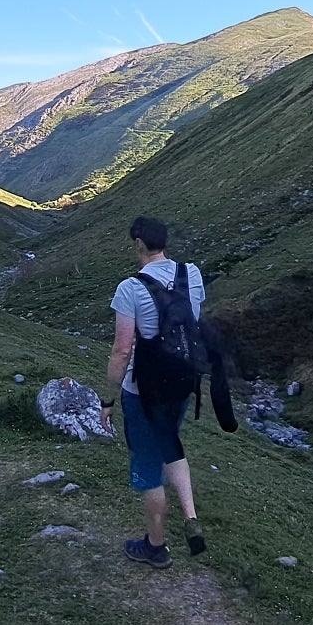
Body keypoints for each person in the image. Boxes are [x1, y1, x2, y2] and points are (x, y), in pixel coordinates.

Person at [101, 215, 206, 568]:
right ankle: (191, 517)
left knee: (148, 468)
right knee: (170, 443)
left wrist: (108, 398)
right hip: (181, 381)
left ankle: (155, 546)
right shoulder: (192, 274)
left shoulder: (130, 288)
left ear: (138, 245)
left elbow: (121, 350)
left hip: (142, 389)